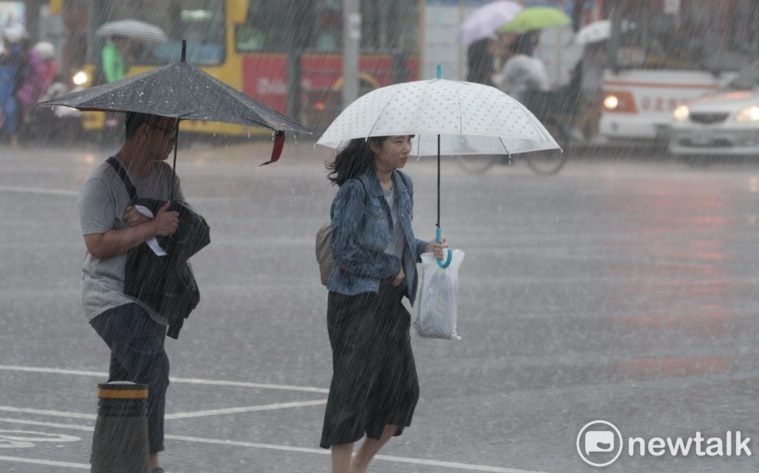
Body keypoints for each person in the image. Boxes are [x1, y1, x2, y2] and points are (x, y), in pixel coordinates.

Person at [321, 135, 448, 473]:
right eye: (397, 141)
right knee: (350, 394)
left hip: (391, 301)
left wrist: (426, 248)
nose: (406, 148)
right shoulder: (355, 191)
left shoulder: (404, 184)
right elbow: (343, 250)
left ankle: (358, 465)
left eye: (409, 140)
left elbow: (399, 240)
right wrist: (390, 267)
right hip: (355, 301)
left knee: (402, 392)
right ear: (375, 145)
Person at [78, 112, 181, 473]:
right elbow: (97, 243)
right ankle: (150, 465)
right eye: (169, 132)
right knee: (153, 368)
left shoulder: (167, 177)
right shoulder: (102, 182)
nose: (173, 139)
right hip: (110, 297)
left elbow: (187, 232)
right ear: (142, 131)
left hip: (152, 299)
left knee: (125, 388)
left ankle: (112, 463)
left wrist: (166, 224)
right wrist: (151, 227)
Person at [497, 33, 549, 104]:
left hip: (519, 98)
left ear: (510, 52)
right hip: (539, 98)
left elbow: (504, 82)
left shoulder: (513, 62)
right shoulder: (534, 61)